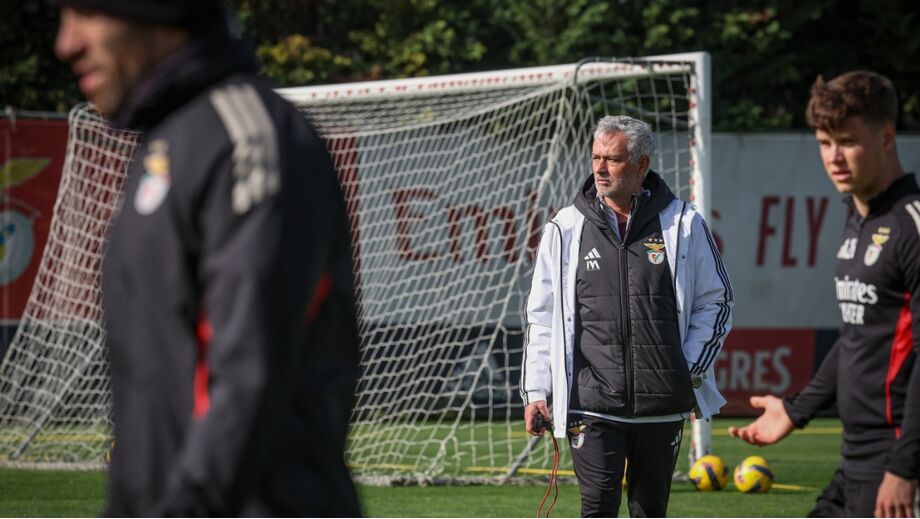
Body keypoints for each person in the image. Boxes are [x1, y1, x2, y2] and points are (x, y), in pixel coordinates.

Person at [53, 0, 361, 515]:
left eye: (86, 12)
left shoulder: (248, 139)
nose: (66, 43)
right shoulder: (169, 141)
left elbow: (245, 380)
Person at [728, 71, 920, 518]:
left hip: (894, 464)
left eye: (847, 141)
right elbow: (858, 336)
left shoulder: (912, 226)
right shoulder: (858, 217)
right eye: (823, 142)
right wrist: (795, 411)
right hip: (856, 461)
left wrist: (905, 468)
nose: (833, 157)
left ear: (887, 136)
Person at [520, 115, 733, 517]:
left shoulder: (684, 223)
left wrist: (688, 369)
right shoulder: (564, 228)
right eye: (596, 157)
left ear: (641, 165)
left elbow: (717, 301)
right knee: (598, 505)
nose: (600, 168)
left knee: (649, 509)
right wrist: (535, 391)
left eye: (613, 159)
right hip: (591, 401)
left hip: (662, 401)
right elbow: (542, 316)